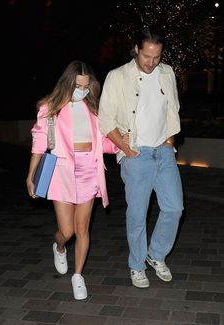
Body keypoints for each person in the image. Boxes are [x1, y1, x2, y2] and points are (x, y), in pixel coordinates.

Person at [98, 27, 183, 288]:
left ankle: (155, 254)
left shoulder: (167, 72)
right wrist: (125, 147)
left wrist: (169, 140)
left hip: (164, 150)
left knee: (174, 208)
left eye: (156, 57)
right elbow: (105, 118)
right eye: (146, 56)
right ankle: (136, 265)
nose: (151, 62)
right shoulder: (118, 76)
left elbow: (173, 107)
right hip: (136, 153)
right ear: (136, 49)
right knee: (137, 214)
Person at [26, 60, 118, 300]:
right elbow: (39, 143)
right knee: (66, 231)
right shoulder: (51, 108)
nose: (82, 90)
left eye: (86, 86)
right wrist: (31, 175)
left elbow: (105, 143)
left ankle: (78, 276)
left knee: (82, 228)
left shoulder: (95, 109)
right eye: (78, 85)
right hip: (62, 171)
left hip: (89, 169)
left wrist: (123, 143)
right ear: (68, 83)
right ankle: (58, 246)